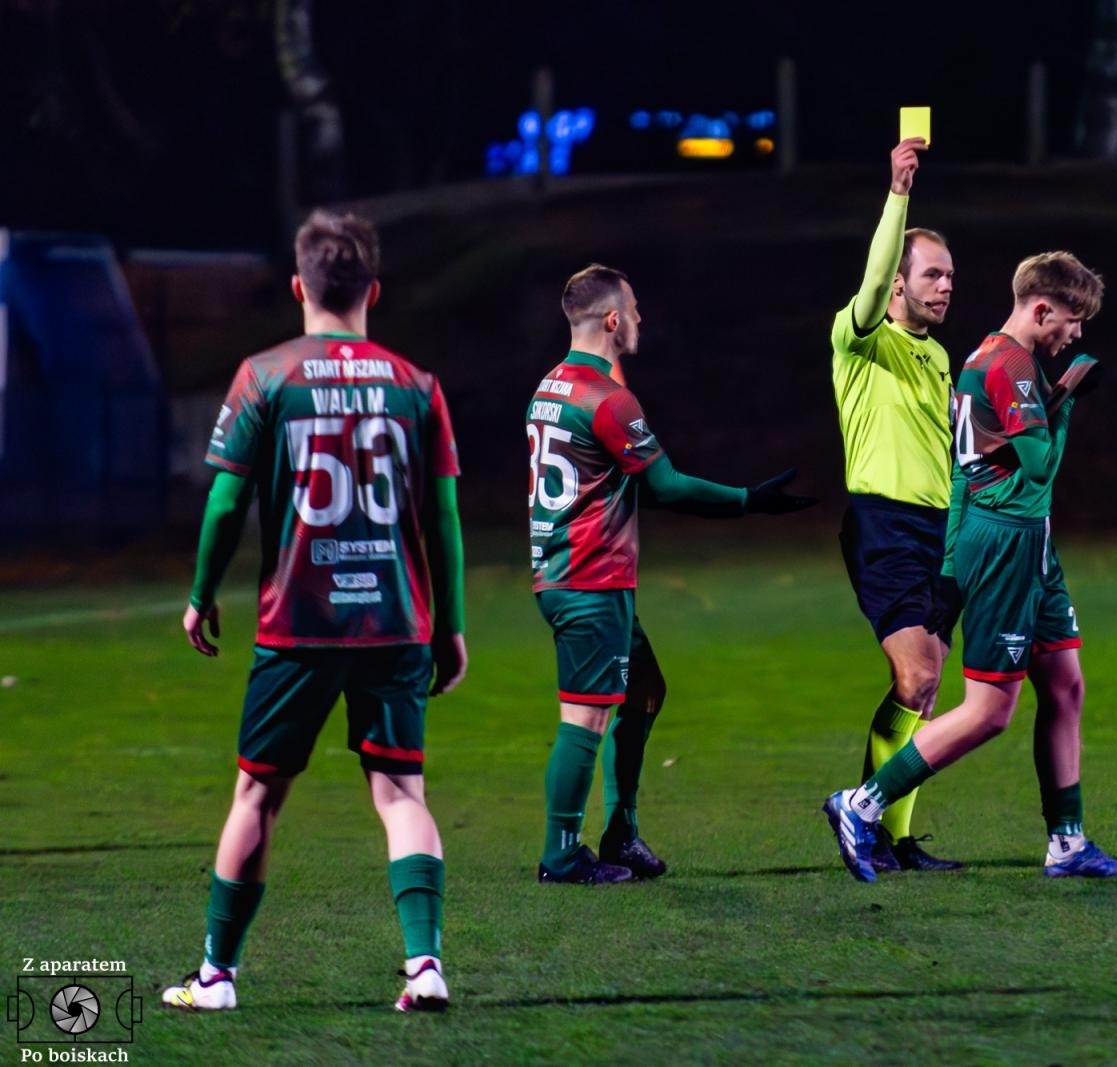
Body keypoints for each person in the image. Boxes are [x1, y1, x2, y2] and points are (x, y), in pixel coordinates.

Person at [161, 210, 468, 1013]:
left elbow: (226, 503)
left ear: (299, 286)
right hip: (395, 619)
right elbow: (444, 519)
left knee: (257, 797)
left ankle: (216, 977)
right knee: (403, 794)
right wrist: (452, 623)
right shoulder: (418, 385)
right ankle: (426, 964)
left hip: (298, 622)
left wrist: (200, 594)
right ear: (374, 289)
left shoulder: (264, 376)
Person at [824, 251, 1117, 882]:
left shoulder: (977, 357)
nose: (1074, 335)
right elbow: (1039, 466)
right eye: (1071, 320)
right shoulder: (1011, 366)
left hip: (1025, 538)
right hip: (1005, 544)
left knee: (1065, 682)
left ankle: (1067, 842)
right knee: (989, 710)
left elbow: (964, 471)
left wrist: (947, 564)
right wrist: (1070, 397)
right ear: (1042, 308)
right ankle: (861, 805)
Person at [531, 263, 814, 884]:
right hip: (588, 578)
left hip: (567, 572)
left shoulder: (550, 386)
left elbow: (631, 484)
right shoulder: (608, 398)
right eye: (633, 308)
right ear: (612, 320)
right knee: (585, 717)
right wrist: (748, 501)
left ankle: (622, 832)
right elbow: (665, 486)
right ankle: (561, 856)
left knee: (645, 691)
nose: (640, 318)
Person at [830, 137, 963, 873]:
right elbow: (873, 277)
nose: (946, 287)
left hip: (942, 530)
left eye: (950, 276)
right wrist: (898, 193)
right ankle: (864, 811)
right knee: (915, 676)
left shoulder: (938, 355)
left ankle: (894, 836)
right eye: (933, 275)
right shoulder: (858, 341)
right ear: (900, 286)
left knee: (925, 687)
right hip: (883, 524)